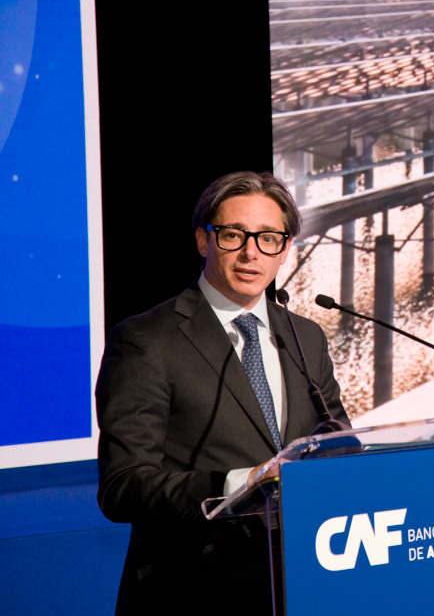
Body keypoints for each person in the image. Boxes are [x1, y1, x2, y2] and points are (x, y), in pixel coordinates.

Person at [95, 171, 348, 615]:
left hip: (304, 580)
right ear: (203, 240)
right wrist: (241, 484)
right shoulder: (146, 340)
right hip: (194, 588)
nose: (251, 252)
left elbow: (338, 441)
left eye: (268, 238)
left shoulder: (305, 336)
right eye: (233, 235)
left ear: (285, 248)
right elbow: (124, 486)